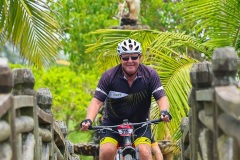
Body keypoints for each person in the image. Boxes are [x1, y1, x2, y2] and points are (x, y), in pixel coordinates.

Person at [80, 38, 172, 160]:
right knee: (107, 151)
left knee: (145, 153)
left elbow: (161, 97)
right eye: (125, 58)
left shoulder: (150, 75)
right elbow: (97, 101)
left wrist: (164, 111)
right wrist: (88, 119)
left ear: (140, 57)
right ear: (120, 59)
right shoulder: (109, 76)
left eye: (134, 57)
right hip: (112, 124)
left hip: (140, 123)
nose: (130, 61)